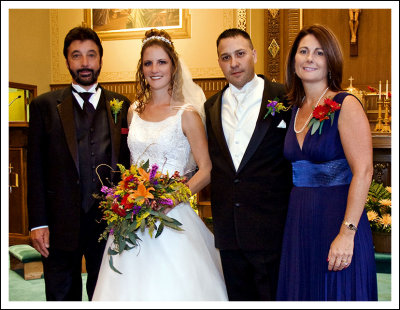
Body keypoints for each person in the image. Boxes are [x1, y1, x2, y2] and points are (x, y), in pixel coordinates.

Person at [92, 29, 228, 301]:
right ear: (141, 68)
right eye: (148, 63)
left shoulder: (187, 115)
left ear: (173, 66)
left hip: (173, 215)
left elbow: (206, 169)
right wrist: (127, 195)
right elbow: (133, 166)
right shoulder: (134, 111)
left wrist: (171, 198)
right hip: (133, 216)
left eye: (161, 62)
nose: (154, 69)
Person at [27, 26, 131, 301]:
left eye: (91, 55)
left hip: (108, 224)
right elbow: (35, 169)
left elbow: (128, 163)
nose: (85, 63)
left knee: (105, 295)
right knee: (61, 295)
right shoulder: (43, 106)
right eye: (77, 56)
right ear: (67, 61)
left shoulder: (122, 105)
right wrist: (38, 223)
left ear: (100, 59)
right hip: (59, 225)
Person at [276, 24, 377, 301]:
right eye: (303, 51)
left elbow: (364, 171)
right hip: (299, 221)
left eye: (319, 53)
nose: (309, 58)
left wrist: (347, 233)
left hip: (337, 218)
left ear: (330, 60)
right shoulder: (293, 109)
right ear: (293, 60)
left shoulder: (346, 104)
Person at [204, 28, 293, 301]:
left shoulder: (285, 98)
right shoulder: (210, 106)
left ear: (253, 55)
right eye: (226, 57)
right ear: (219, 62)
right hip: (228, 230)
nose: (234, 63)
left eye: (240, 54)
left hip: (270, 227)